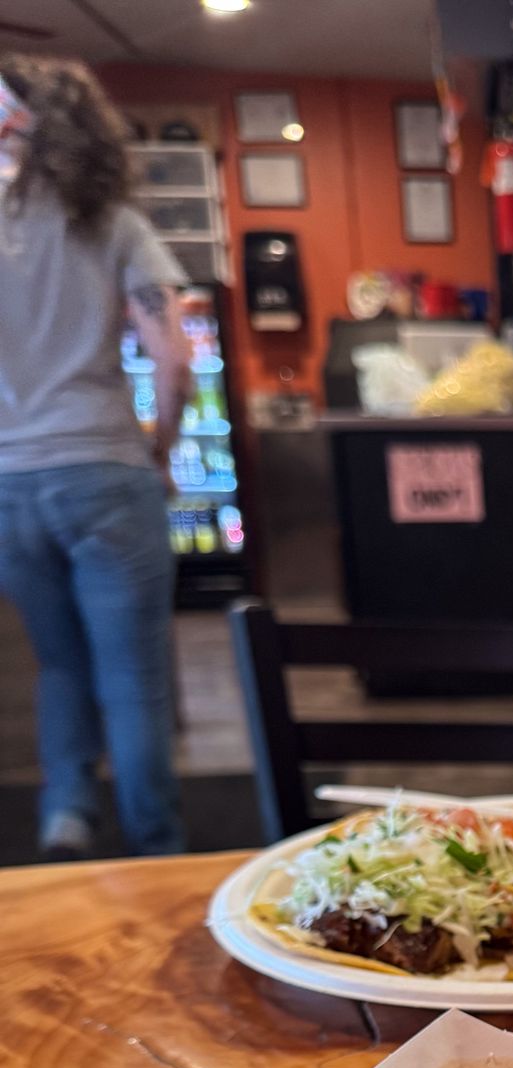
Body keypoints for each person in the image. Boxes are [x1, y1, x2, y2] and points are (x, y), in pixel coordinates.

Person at [0, 56, 192, 858]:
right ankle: (158, 846)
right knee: (135, 676)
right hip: (107, 469)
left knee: (58, 664)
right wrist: (161, 446)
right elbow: (173, 354)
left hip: (10, 483)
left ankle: (67, 817)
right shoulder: (114, 222)